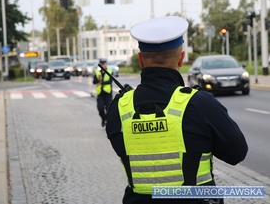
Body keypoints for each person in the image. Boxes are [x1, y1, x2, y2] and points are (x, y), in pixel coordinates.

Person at [105, 16, 248, 204]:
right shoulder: (201, 104)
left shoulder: (119, 108)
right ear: (181, 59)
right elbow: (237, 153)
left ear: (140, 60)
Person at [93, 58, 113, 127]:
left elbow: (110, 81)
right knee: (100, 108)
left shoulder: (109, 71)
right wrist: (97, 81)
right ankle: (104, 119)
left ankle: (108, 120)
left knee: (109, 108)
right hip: (100, 93)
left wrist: (101, 82)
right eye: (102, 64)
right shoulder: (97, 72)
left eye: (104, 64)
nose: (103, 65)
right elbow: (94, 81)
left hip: (108, 93)